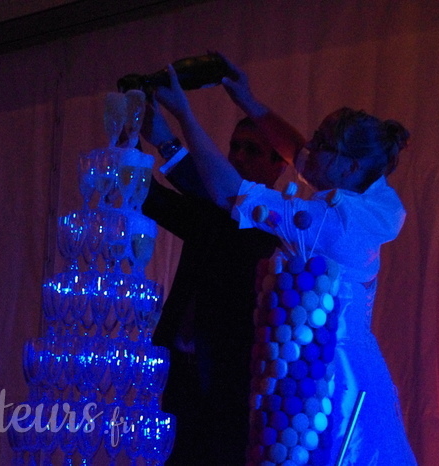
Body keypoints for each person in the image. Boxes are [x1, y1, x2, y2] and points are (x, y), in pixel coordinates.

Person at [152, 61, 417, 464]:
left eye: (322, 143)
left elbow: (233, 196)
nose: (307, 149)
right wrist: (247, 100)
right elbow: (304, 155)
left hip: (327, 376)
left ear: (348, 166)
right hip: (331, 361)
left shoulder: (332, 225)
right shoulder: (370, 193)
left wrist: (184, 115)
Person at [140, 81, 305, 464]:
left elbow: (207, 191)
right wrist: (128, 143)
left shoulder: (279, 219)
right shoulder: (213, 211)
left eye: (252, 149)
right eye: (234, 147)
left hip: (231, 383)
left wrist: (166, 139)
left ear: (279, 163)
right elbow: (155, 198)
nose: (237, 156)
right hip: (178, 372)